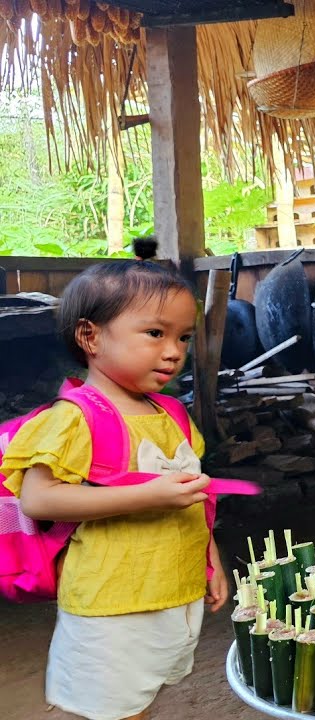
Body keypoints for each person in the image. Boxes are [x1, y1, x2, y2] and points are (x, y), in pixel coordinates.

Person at [0, 248, 228, 720]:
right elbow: (39, 497)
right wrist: (148, 495)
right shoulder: (74, 419)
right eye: (154, 333)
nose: (174, 350)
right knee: (112, 709)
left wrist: (212, 562)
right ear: (91, 336)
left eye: (183, 337)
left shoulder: (173, 415)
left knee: (139, 701)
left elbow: (192, 500)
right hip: (111, 603)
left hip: (170, 590)